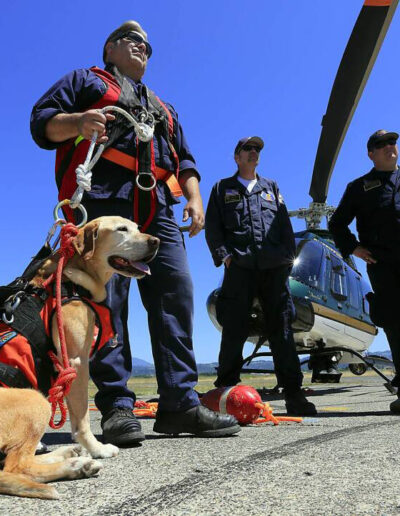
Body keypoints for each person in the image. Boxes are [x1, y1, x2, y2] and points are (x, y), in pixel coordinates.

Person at [30, 20, 240, 443]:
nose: (143, 47)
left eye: (147, 45)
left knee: (176, 293)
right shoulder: (84, 81)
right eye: (132, 41)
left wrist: (195, 200)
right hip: (104, 201)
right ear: (109, 48)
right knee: (108, 302)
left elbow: (184, 160)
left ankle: (180, 404)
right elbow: (43, 124)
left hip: (157, 208)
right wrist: (79, 121)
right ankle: (117, 407)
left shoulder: (164, 108)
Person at [204, 136, 317, 416]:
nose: (254, 152)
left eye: (257, 149)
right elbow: (213, 227)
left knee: (282, 331)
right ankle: (227, 392)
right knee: (234, 330)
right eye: (248, 149)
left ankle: (294, 394)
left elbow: (284, 226)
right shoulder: (222, 188)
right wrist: (225, 257)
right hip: (239, 269)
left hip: (273, 270)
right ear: (237, 157)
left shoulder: (271, 188)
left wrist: (287, 260)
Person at [328, 129, 400, 413]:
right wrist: (354, 248)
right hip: (383, 265)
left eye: (392, 142)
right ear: (371, 154)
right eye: (382, 144)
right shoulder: (359, 187)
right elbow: (337, 224)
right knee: (395, 324)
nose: (390, 147)